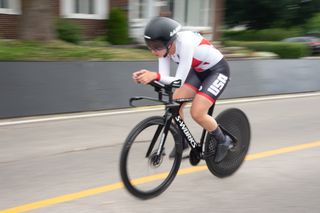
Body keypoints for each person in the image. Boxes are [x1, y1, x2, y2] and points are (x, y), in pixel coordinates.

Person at [132, 17, 232, 163]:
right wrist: (146, 77)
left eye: (157, 46)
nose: (154, 51)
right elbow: (164, 78)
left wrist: (154, 76)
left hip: (217, 71)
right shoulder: (164, 50)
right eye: (150, 46)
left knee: (197, 113)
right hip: (197, 71)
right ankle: (184, 141)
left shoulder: (185, 43)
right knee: (175, 103)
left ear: (170, 42)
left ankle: (224, 140)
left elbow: (177, 81)